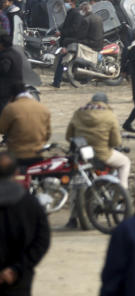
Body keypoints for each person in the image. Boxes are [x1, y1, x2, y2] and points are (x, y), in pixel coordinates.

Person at [0, 152, 50, 296]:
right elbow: (42, 240)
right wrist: (17, 269)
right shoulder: (30, 203)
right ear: (16, 173)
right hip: (18, 282)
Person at [65, 92, 130, 187]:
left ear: (92, 101)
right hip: (102, 155)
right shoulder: (109, 115)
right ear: (106, 103)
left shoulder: (78, 113)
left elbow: (68, 136)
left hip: (81, 156)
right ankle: (123, 191)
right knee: (125, 162)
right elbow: (115, 142)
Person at [0, 83, 50, 165]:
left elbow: (2, 129)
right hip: (37, 155)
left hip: (17, 155)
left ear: (12, 95)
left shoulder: (10, 108)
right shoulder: (43, 108)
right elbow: (48, 134)